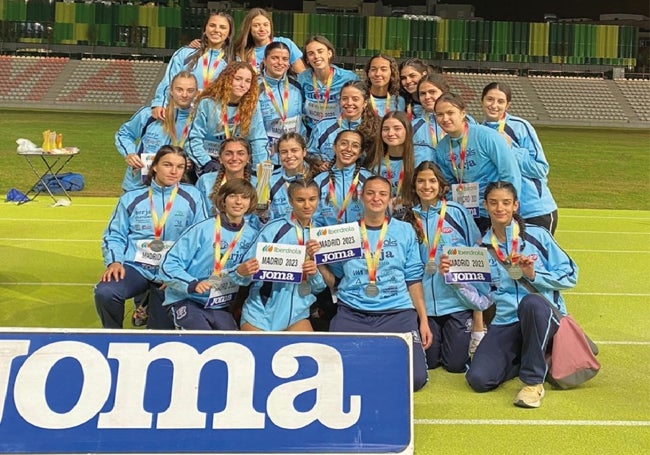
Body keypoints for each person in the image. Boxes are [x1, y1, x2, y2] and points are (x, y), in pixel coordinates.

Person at [439, 181, 578, 408]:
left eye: (505, 203)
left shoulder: (537, 236)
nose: (499, 208)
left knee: (531, 303)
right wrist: (455, 281)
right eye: (493, 203)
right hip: (506, 321)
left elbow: (571, 274)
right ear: (485, 206)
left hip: (545, 316)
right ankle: (528, 357)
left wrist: (534, 275)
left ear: (515, 206)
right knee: (478, 379)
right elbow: (483, 301)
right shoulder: (480, 249)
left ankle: (533, 383)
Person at [317, 176, 433, 391]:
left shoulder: (405, 231)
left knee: (415, 380)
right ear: (361, 197)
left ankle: (372, 368)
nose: (376, 198)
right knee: (335, 374)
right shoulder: (345, 232)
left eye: (382, 194)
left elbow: (413, 280)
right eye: (370, 193)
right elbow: (335, 280)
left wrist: (423, 320)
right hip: (353, 312)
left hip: (397, 312)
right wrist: (318, 262)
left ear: (390, 199)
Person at [94, 145, 207, 329]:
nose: (173, 171)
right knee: (106, 292)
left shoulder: (193, 197)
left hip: (172, 269)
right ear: (154, 166)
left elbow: (200, 240)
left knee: (158, 332)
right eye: (167, 165)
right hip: (136, 266)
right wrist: (114, 262)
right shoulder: (132, 198)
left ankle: (147, 306)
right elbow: (115, 235)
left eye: (179, 167)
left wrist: (179, 274)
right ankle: (113, 335)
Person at [404, 161, 484, 372]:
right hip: (424, 306)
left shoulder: (457, 212)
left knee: (455, 365)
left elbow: (475, 257)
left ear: (441, 185)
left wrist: (478, 314)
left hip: (456, 302)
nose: (426, 186)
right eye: (421, 181)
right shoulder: (407, 218)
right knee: (428, 363)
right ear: (413, 186)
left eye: (432, 181)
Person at [159, 179, 258, 330]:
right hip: (187, 299)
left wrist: (241, 273)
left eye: (244, 197)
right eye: (233, 196)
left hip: (219, 303)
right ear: (223, 200)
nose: (238, 202)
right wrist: (192, 283)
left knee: (231, 346)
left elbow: (246, 276)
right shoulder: (202, 229)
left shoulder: (252, 236)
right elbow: (168, 265)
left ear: (251, 203)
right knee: (202, 338)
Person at [233, 179, 326, 331]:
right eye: (300, 200)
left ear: (318, 199)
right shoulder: (273, 229)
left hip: (297, 315)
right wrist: (241, 272)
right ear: (290, 201)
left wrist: (314, 273)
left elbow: (318, 288)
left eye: (312, 199)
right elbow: (243, 274)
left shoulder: (321, 234)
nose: (307, 205)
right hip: (260, 314)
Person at [432, 92, 521, 234]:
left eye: (450, 113)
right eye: (440, 114)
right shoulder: (442, 148)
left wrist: (510, 211)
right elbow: (448, 184)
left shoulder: (487, 136)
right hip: (465, 214)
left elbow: (510, 173)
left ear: (463, 113)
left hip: (493, 212)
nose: (445, 118)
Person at [480, 82, 559, 234]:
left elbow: (541, 168)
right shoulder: (479, 132)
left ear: (507, 105)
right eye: (490, 99)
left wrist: (510, 149)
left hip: (533, 211)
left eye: (500, 101)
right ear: (482, 101)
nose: (494, 105)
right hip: (501, 212)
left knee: (536, 257)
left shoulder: (520, 127)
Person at [116, 71, 198, 192]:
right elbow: (124, 134)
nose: (185, 95)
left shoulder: (198, 119)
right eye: (179, 89)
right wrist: (130, 153)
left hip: (177, 187)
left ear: (196, 93)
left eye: (190, 90)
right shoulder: (148, 114)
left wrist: (191, 161)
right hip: (139, 185)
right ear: (171, 90)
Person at [187, 61, 267, 176]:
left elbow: (258, 138)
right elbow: (193, 138)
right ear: (227, 79)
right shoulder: (207, 103)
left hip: (237, 160)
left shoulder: (252, 106)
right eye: (238, 79)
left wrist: (259, 169)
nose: (242, 85)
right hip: (210, 160)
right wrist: (206, 163)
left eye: (247, 81)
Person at [151, 12, 234, 120]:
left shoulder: (234, 61)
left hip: (216, 120)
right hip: (183, 116)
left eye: (222, 27)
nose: (217, 30)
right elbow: (169, 80)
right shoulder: (184, 54)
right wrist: (160, 103)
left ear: (229, 33)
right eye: (212, 25)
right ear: (205, 29)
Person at [364, 111, 424, 218]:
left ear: (407, 130)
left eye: (397, 128)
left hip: (418, 217)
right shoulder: (373, 161)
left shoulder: (422, 156)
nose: (391, 133)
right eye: (386, 129)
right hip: (385, 219)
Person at [257, 41, 307, 166]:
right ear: (264, 60)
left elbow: (303, 123)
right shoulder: (255, 88)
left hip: (294, 158)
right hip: (267, 159)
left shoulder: (297, 87)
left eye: (285, 59)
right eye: (274, 58)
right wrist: (262, 159)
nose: (280, 63)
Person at [306, 80, 375, 170]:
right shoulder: (323, 126)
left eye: (355, 99)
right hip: (328, 179)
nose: (349, 103)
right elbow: (309, 154)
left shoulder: (373, 129)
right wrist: (319, 163)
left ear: (365, 103)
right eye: (345, 98)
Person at [297, 35, 359, 132]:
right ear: (307, 59)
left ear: (329, 53)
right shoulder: (302, 78)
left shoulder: (348, 78)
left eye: (320, 51)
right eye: (311, 53)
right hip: (311, 131)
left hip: (339, 131)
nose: (316, 56)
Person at [313, 129, 373, 227]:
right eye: (344, 143)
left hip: (363, 239)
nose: (349, 149)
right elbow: (314, 218)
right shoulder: (319, 181)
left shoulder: (369, 180)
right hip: (328, 239)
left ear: (360, 153)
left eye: (355, 146)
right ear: (334, 147)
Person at [259, 132, 317, 223]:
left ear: (304, 152)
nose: (289, 156)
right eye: (284, 152)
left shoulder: (318, 176)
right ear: (279, 155)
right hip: (280, 234)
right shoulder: (266, 179)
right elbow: (258, 222)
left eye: (294, 150)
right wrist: (262, 215)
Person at [233, 8, 305, 74]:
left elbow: (301, 74)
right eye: (256, 25)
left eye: (266, 25)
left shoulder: (285, 43)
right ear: (248, 28)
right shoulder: (241, 51)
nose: (262, 29)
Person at [195, 137, 255, 215]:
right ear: (220, 158)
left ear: (248, 158)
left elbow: (258, 222)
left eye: (240, 153)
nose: (234, 158)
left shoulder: (257, 184)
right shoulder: (205, 181)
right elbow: (198, 215)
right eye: (228, 154)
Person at [411, 73, 449, 158]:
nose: (427, 97)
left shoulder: (465, 121)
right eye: (422, 93)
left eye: (432, 92)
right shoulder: (412, 126)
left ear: (444, 92)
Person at [365, 54, 405, 119]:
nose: (378, 73)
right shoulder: (361, 99)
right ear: (368, 73)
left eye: (383, 69)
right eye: (373, 69)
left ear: (392, 73)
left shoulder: (399, 101)